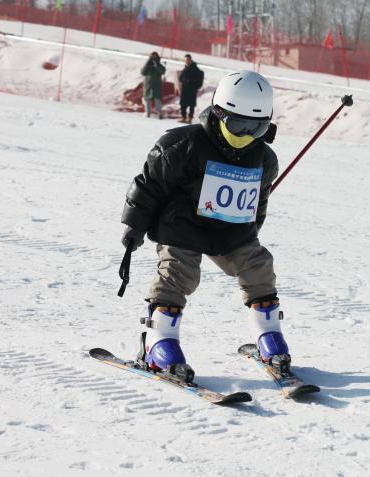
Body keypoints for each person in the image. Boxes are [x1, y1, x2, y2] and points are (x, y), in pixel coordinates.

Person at [120, 70, 286, 383]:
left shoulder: (264, 159)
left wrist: (249, 232)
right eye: (238, 125)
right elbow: (148, 186)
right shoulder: (182, 144)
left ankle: (269, 339)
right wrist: (134, 226)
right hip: (182, 227)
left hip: (232, 232)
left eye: (257, 127)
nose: (246, 135)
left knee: (258, 265)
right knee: (178, 273)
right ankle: (159, 342)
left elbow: (258, 204)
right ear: (218, 112)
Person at [178, 54, 204, 124]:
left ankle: (190, 119)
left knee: (191, 105)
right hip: (184, 89)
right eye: (185, 60)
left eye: (188, 60)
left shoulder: (196, 69)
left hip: (192, 90)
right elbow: (180, 78)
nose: (186, 61)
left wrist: (190, 81)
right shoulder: (185, 68)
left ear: (191, 60)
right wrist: (184, 80)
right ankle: (183, 117)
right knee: (183, 104)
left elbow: (198, 79)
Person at [141, 52, 166, 119]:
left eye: (155, 57)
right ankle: (147, 113)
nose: (153, 58)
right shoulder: (148, 65)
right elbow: (143, 72)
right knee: (147, 99)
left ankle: (159, 113)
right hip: (148, 85)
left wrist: (156, 66)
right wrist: (147, 63)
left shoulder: (159, 65)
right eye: (152, 57)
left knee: (157, 99)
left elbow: (162, 71)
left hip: (156, 85)